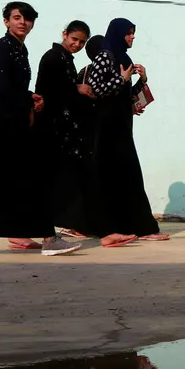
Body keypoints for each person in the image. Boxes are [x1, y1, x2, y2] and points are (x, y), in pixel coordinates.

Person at [0, 2, 82, 257]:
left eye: (28, 19)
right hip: (1, 125)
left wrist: (31, 98)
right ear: (6, 22)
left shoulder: (20, 50)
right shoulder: (1, 48)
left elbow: (15, 88)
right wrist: (28, 99)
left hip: (17, 125)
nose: (23, 22)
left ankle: (48, 238)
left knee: (32, 179)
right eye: (17, 18)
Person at [37, 26, 135, 247]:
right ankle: (41, 234)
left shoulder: (67, 60)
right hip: (58, 131)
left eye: (82, 42)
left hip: (72, 132)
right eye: (74, 39)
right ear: (64, 34)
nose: (77, 45)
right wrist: (76, 89)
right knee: (63, 182)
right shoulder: (54, 58)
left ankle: (100, 231)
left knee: (83, 182)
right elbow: (46, 91)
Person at [84, 18, 168, 241]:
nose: (132, 37)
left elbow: (126, 97)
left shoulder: (123, 58)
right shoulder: (105, 56)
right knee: (112, 177)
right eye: (128, 33)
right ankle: (116, 230)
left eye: (133, 33)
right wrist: (121, 79)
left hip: (121, 127)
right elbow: (95, 89)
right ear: (118, 34)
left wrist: (142, 80)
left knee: (128, 178)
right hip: (107, 128)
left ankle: (138, 228)